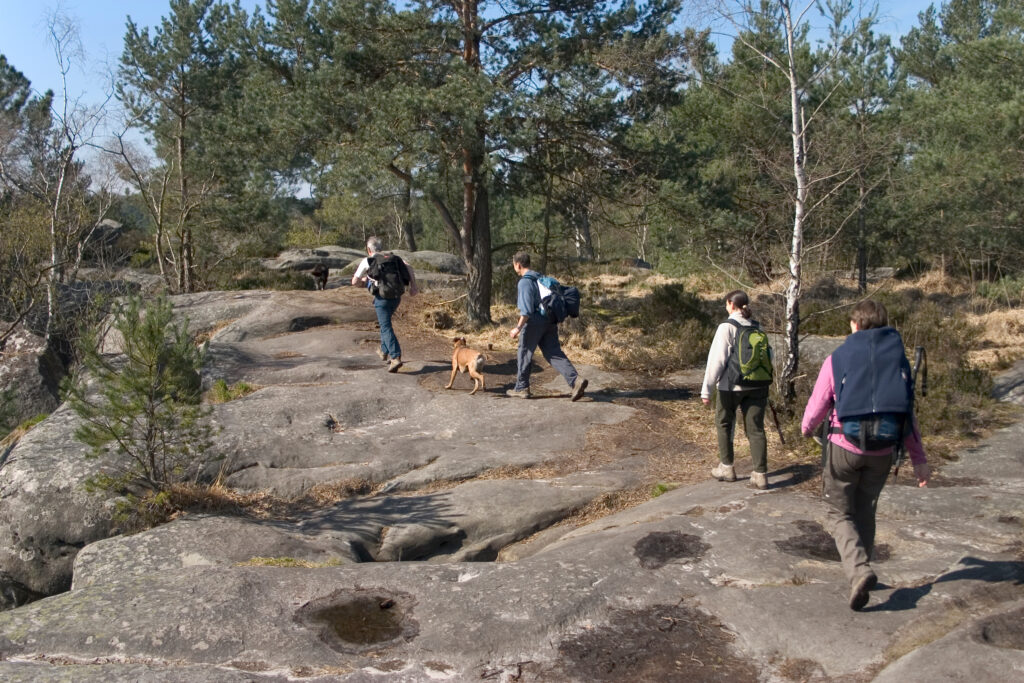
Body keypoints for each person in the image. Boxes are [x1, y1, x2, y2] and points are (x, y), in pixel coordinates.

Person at [801, 299, 930, 611]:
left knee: (836, 513)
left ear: (855, 325)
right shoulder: (896, 359)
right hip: (884, 449)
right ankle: (862, 568)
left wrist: (806, 429)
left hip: (844, 446)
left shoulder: (839, 357)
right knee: (865, 510)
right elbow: (906, 412)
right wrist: (919, 460)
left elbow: (819, 402)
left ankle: (859, 571)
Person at [701, 290, 770, 489]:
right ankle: (760, 474)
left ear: (731, 304)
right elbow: (767, 357)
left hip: (731, 386)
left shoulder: (727, 327)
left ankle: (727, 467)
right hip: (758, 384)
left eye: (726, 304)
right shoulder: (758, 327)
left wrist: (706, 390)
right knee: (756, 428)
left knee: (724, 422)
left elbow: (717, 360)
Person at [507, 252, 587, 401]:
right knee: (554, 353)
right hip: (550, 321)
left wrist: (517, 328)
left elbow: (526, 311)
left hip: (534, 322)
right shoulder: (540, 278)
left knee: (524, 352)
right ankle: (575, 380)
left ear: (518, 264)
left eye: (514, 265)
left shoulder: (524, 282)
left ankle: (521, 387)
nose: (514, 267)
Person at [351, 236, 418, 372]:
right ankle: (383, 350)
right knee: (385, 323)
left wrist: (364, 283)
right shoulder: (393, 257)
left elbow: (354, 281)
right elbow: (409, 267)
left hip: (382, 298)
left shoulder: (368, 260)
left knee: (386, 326)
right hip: (396, 297)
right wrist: (413, 286)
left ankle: (395, 357)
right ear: (381, 248)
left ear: (369, 249)